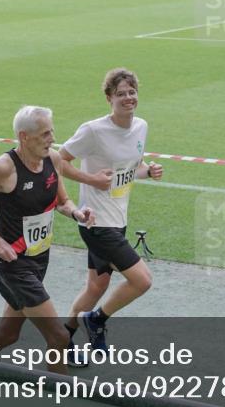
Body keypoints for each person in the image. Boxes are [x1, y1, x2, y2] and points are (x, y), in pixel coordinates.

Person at [0, 105, 99, 374]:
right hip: (14, 267)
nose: (52, 138)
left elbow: (60, 200)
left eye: (51, 131)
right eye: (44, 134)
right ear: (24, 137)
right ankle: (58, 406)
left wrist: (77, 212)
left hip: (39, 261)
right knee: (59, 337)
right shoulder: (3, 168)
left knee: (7, 335)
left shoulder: (52, 160)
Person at [59, 68, 162, 366]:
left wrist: (148, 172)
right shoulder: (93, 130)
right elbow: (58, 160)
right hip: (96, 223)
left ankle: (61, 340)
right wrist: (91, 180)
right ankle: (96, 319)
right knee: (142, 281)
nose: (128, 98)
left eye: (132, 92)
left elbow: (130, 170)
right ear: (109, 98)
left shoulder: (141, 126)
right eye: (121, 94)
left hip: (118, 220)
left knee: (96, 286)